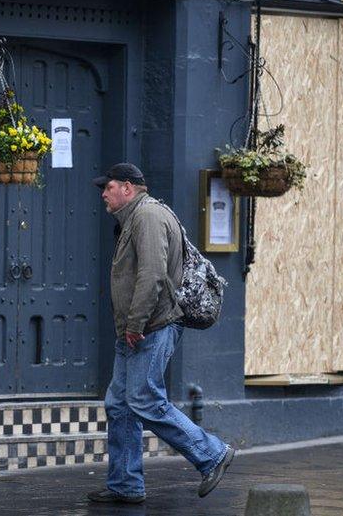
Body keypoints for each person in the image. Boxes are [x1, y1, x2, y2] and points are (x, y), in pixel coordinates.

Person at [86, 163, 234, 504]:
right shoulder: (134, 218)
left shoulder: (148, 217)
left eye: (107, 187)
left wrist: (135, 324)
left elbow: (152, 274)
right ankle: (125, 484)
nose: (104, 194)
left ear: (127, 187)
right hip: (135, 330)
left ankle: (211, 454)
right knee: (120, 405)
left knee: (143, 400)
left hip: (151, 327)